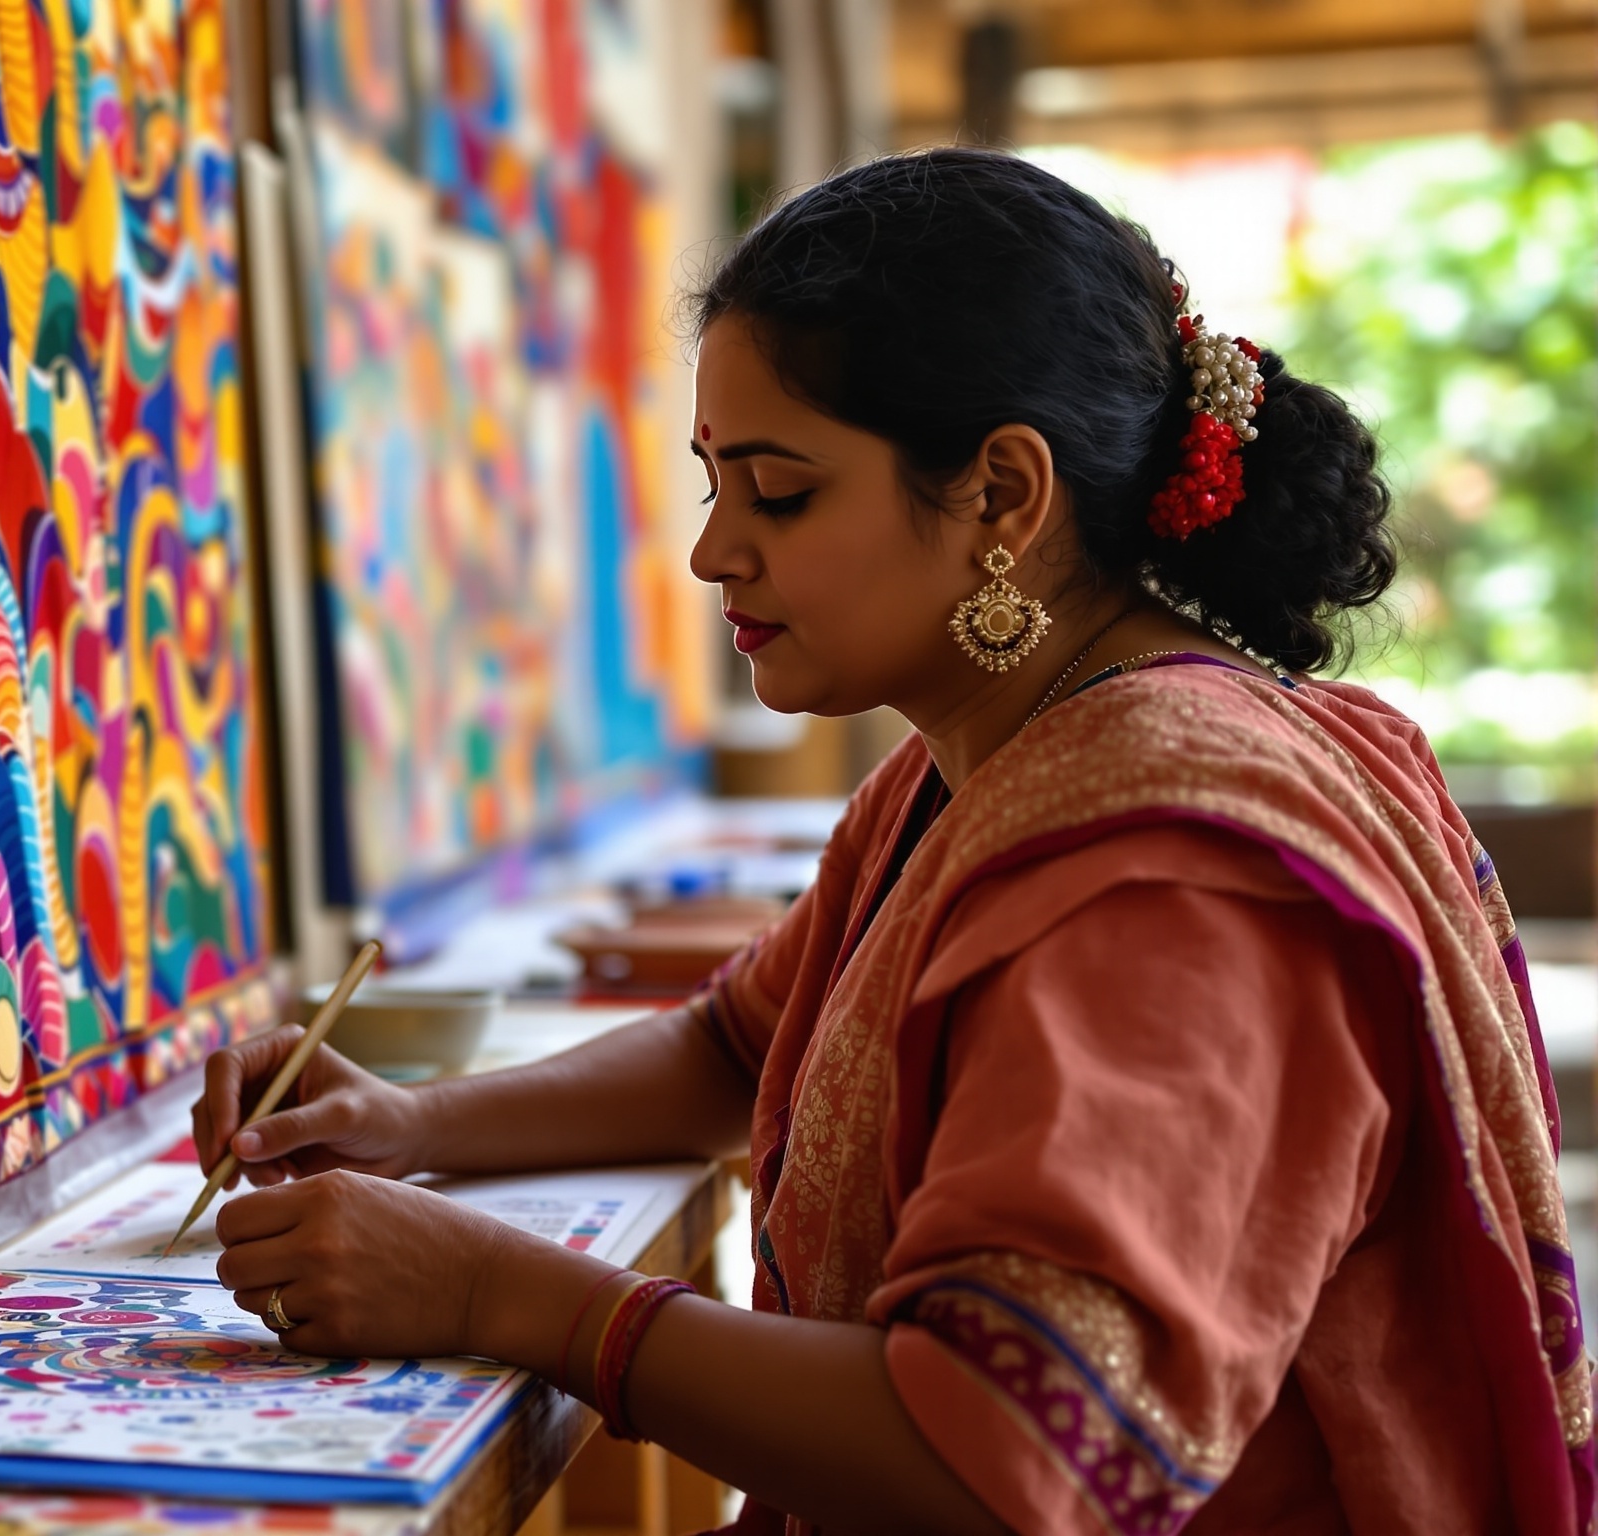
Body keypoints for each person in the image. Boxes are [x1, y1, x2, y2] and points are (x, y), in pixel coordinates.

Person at [193, 149, 1590, 1535]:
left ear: (1001, 494)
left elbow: (1001, 1465)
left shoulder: (1173, 870)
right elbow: (739, 1046)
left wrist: (502, 1296)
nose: (714, 553)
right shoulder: (983, 760)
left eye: (780, 492)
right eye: (712, 485)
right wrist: (401, 1126)